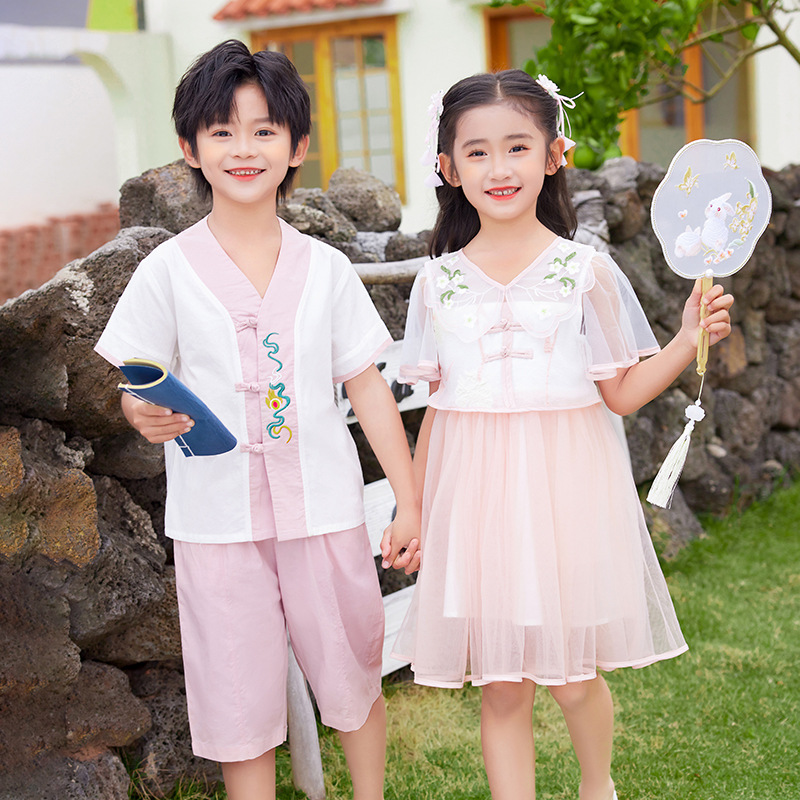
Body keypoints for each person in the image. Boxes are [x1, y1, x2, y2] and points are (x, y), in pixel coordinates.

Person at [389, 70, 733, 800]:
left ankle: (596, 787)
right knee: (503, 686)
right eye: (476, 152)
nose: (499, 167)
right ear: (447, 169)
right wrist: (413, 507)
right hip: (476, 502)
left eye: (518, 146)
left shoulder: (587, 273)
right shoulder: (437, 283)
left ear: (554, 155)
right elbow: (436, 413)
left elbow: (619, 393)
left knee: (575, 679)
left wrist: (681, 342)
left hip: (567, 495)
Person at [95, 39, 420, 800]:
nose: (244, 149)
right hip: (218, 525)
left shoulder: (327, 270)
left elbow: (367, 387)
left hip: (325, 511)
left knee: (352, 673)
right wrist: (139, 410)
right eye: (222, 132)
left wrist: (410, 499)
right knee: (237, 698)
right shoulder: (166, 271)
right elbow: (134, 382)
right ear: (189, 148)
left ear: (297, 146)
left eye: (265, 130)